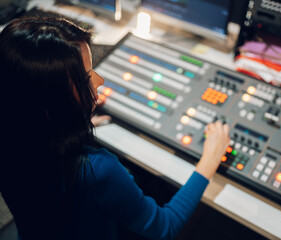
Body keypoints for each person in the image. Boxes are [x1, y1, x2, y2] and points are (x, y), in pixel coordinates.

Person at [0, 16, 230, 240]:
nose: (100, 81)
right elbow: (164, 226)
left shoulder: (14, 125)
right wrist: (210, 159)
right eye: (86, 77)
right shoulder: (98, 170)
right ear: (54, 105)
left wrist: (74, 121)